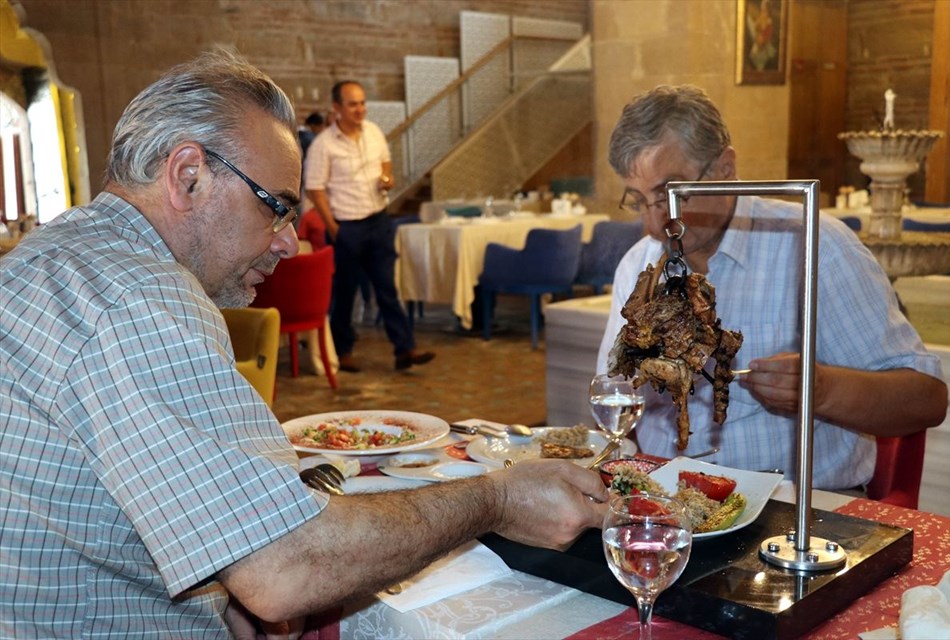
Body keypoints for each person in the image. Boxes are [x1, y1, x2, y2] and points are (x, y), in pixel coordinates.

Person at [0, 50, 608, 637]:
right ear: (188, 176)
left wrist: (219, 576)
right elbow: (286, 569)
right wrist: (497, 499)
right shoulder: (141, 296)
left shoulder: (54, 255)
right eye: (276, 209)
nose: (289, 243)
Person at [596, 85, 947, 491]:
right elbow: (612, 395)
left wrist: (822, 389)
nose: (656, 223)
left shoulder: (813, 246)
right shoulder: (639, 266)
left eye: (672, 195)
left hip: (800, 513)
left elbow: (927, 399)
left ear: (725, 169)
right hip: (670, 508)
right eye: (639, 200)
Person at [304, 80, 434, 372]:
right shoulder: (324, 145)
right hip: (346, 226)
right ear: (337, 108)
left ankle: (404, 349)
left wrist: (387, 179)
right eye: (352, 104)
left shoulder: (374, 132)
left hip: (378, 220)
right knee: (345, 292)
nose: (359, 109)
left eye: (362, 103)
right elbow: (315, 189)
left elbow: (386, 164)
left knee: (387, 287)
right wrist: (333, 227)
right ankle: (343, 350)